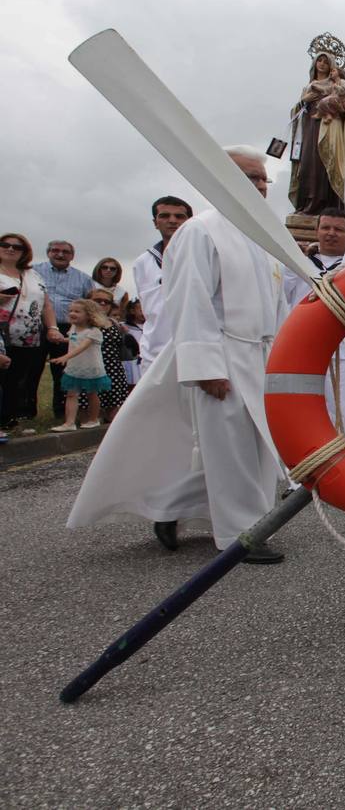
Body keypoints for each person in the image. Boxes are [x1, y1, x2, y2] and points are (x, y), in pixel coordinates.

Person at [67, 145, 290, 564]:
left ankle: (170, 507)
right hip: (222, 352)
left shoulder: (262, 235)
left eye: (263, 179)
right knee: (231, 448)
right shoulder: (201, 231)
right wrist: (205, 366)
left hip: (258, 354)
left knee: (255, 447)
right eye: (249, 177)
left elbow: (276, 303)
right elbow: (189, 300)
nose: (259, 186)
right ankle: (240, 535)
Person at [281, 209, 345, 442]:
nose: (331, 233)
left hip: (344, 354)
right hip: (304, 353)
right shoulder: (297, 265)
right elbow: (281, 298)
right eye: (325, 228)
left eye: (338, 229)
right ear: (316, 231)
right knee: (304, 419)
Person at [0, 232, 59, 434]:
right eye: (5, 244)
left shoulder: (32, 275)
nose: (10, 249)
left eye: (17, 247)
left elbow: (46, 304)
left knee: (17, 379)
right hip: (1, 335)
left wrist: (52, 328)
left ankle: (9, 421)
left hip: (28, 336)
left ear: (25, 252)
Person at [288, 48, 345, 215]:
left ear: (331, 66)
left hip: (329, 129)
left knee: (324, 164)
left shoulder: (336, 85)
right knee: (307, 164)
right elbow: (296, 112)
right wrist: (303, 102)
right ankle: (306, 204)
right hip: (309, 129)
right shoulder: (308, 88)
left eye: (326, 62)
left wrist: (335, 110)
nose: (322, 64)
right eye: (320, 60)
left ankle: (326, 207)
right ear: (314, 63)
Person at [132, 196, 193, 372]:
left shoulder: (204, 255)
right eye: (165, 216)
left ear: (190, 222)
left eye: (179, 216)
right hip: (154, 353)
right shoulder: (142, 262)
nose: (172, 220)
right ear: (155, 222)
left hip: (193, 351)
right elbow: (149, 310)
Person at [34, 240, 93, 416]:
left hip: (68, 329)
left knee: (64, 371)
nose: (60, 254)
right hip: (36, 327)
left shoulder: (83, 279)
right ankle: (25, 412)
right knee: (32, 369)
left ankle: (61, 412)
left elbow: (90, 306)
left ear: (72, 256)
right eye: (55, 250)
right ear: (48, 253)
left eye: (65, 252)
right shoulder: (33, 272)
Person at [49, 298, 111, 432]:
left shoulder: (94, 332)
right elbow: (74, 340)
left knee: (92, 394)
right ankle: (69, 423)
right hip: (75, 367)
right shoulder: (73, 328)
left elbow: (82, 346)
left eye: (77, 311)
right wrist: (62, 339)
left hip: (90, 368)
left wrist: (65, 357)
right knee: (71, 394)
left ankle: (93, 419)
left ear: (89, 314)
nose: (72, 313)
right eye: (71, 311)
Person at [82, 289, 129, 423]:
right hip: (91, 366)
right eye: (98, 300)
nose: (102, 303)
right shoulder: (83, 321)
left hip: (113, 367)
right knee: (88, 407)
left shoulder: (114, 323)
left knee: (113, 408)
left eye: (107, 302)